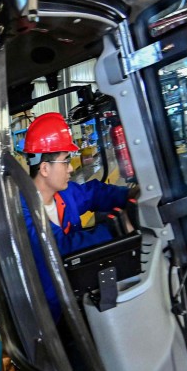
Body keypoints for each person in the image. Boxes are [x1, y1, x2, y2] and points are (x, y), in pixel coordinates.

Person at [20, 112, 134, 322]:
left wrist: (129, 195)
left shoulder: (64, 194)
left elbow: (93, 193)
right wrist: (117, 227)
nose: (71, 168)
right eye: (66, 161)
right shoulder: (23, 212)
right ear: (44, 168)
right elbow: (59, 246)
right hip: (52, 316)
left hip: (76, 294)